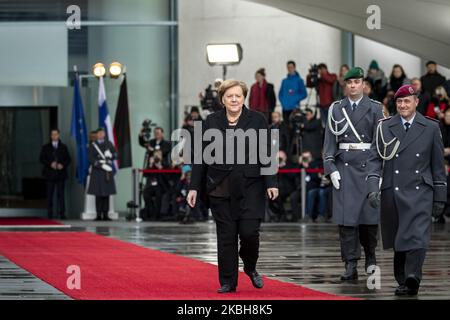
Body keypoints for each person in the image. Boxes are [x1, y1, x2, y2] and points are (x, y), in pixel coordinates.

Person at [187, 79, 279, 293]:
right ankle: (228, 281)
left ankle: (249, 265)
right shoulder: (210, 121)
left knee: (249, 234)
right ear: (223, 99)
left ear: (243, 97)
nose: (235, 99)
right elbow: (200, 158)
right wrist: (194, 187)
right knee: (226, 237)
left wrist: (271, 183)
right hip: (220, 188)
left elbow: (267, 154)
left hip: (251, 187)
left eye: (238, 95)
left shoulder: (257, 120)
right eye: (230, 96)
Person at [366, 84, 446, 296]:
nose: (402, 105)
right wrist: (372, 187)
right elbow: (374, 159)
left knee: (417, 235)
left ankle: (413, 277)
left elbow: (438, 165)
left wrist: (440, 196)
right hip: (393, 189)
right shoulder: (384, 126)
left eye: (407, 101)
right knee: (400, 238)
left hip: (421, 191)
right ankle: (403, 277)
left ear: (416, 102)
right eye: (399, 102)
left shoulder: (431, 127)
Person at [323, 67, 384, 280]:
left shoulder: (376, 108)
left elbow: (380, 143)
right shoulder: (336, 109)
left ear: (363, 84)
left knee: (368, 218)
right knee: (346, 221)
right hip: (344, 168)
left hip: (368, 168)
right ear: (345, 85)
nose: (353, 86)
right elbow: (329, 143)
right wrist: (330, 168)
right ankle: (350, 264)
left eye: (357, 82)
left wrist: (379, 171)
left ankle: (370, 257)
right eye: (349, 83)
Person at [39, 129, 71, 219]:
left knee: (61, 195)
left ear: (58, 135)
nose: (54, 136)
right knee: (50, 194)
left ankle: (62, 214)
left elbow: (68, 159)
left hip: (61, 174)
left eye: (56, 134)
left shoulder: (64, 147)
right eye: (52, 134)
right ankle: (50, 214)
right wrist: (50, 164)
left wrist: (63, 165)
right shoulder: (45, 147)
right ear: (50, 136)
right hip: (49, 174)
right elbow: (41, 159)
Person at [87, 128, 117, 221]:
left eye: (101, 133)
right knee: (98, 194)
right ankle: (98, 214)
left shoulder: (109, 144)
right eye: (98, 133)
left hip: (107, 172)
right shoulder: (93, 145)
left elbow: (116, 154)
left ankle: (106, 214)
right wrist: (100, 164)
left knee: (106, 194)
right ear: (96, 135)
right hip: (97, 171)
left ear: (104, 134)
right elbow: (91, 158)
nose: (100, 135)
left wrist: (111, 156)